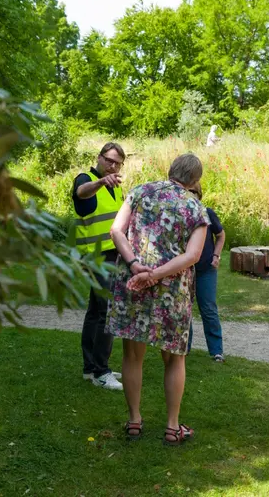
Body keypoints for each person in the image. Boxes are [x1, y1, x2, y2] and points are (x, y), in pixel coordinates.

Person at [106, 154, 209, 446]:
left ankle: (134, 420)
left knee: (132, 356)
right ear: (195, 181)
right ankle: (172, 426)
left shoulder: (138, 192)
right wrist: (156, 275)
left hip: (133, 282)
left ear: (170, 171)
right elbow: (192, 256)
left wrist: (136, 265)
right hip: (171, 291)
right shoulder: (196, 208)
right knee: (174, 358)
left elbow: (116, 230)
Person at [72, 142, 126, 391]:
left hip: (113, 256)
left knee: (95, 311)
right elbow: (82, 192)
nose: (112, 165)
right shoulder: (88, 179)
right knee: (107, 311)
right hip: (97, 257)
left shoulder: (115, 188)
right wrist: (101, 182)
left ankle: (90, 368)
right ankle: (102, 371)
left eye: (117, 163)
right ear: (99, 157)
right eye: (109, 160)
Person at [187, 183, 226, 362]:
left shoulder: (207, 212)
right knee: (184, 309)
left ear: (199, 194)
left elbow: (221, 235)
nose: (190, 194)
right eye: (187, 191)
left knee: (208, 308)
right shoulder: (180, 213)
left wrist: (216, 255)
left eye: (193, 191)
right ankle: (183, 348)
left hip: (206, 270)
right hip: (184, 270)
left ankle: (216, 351)